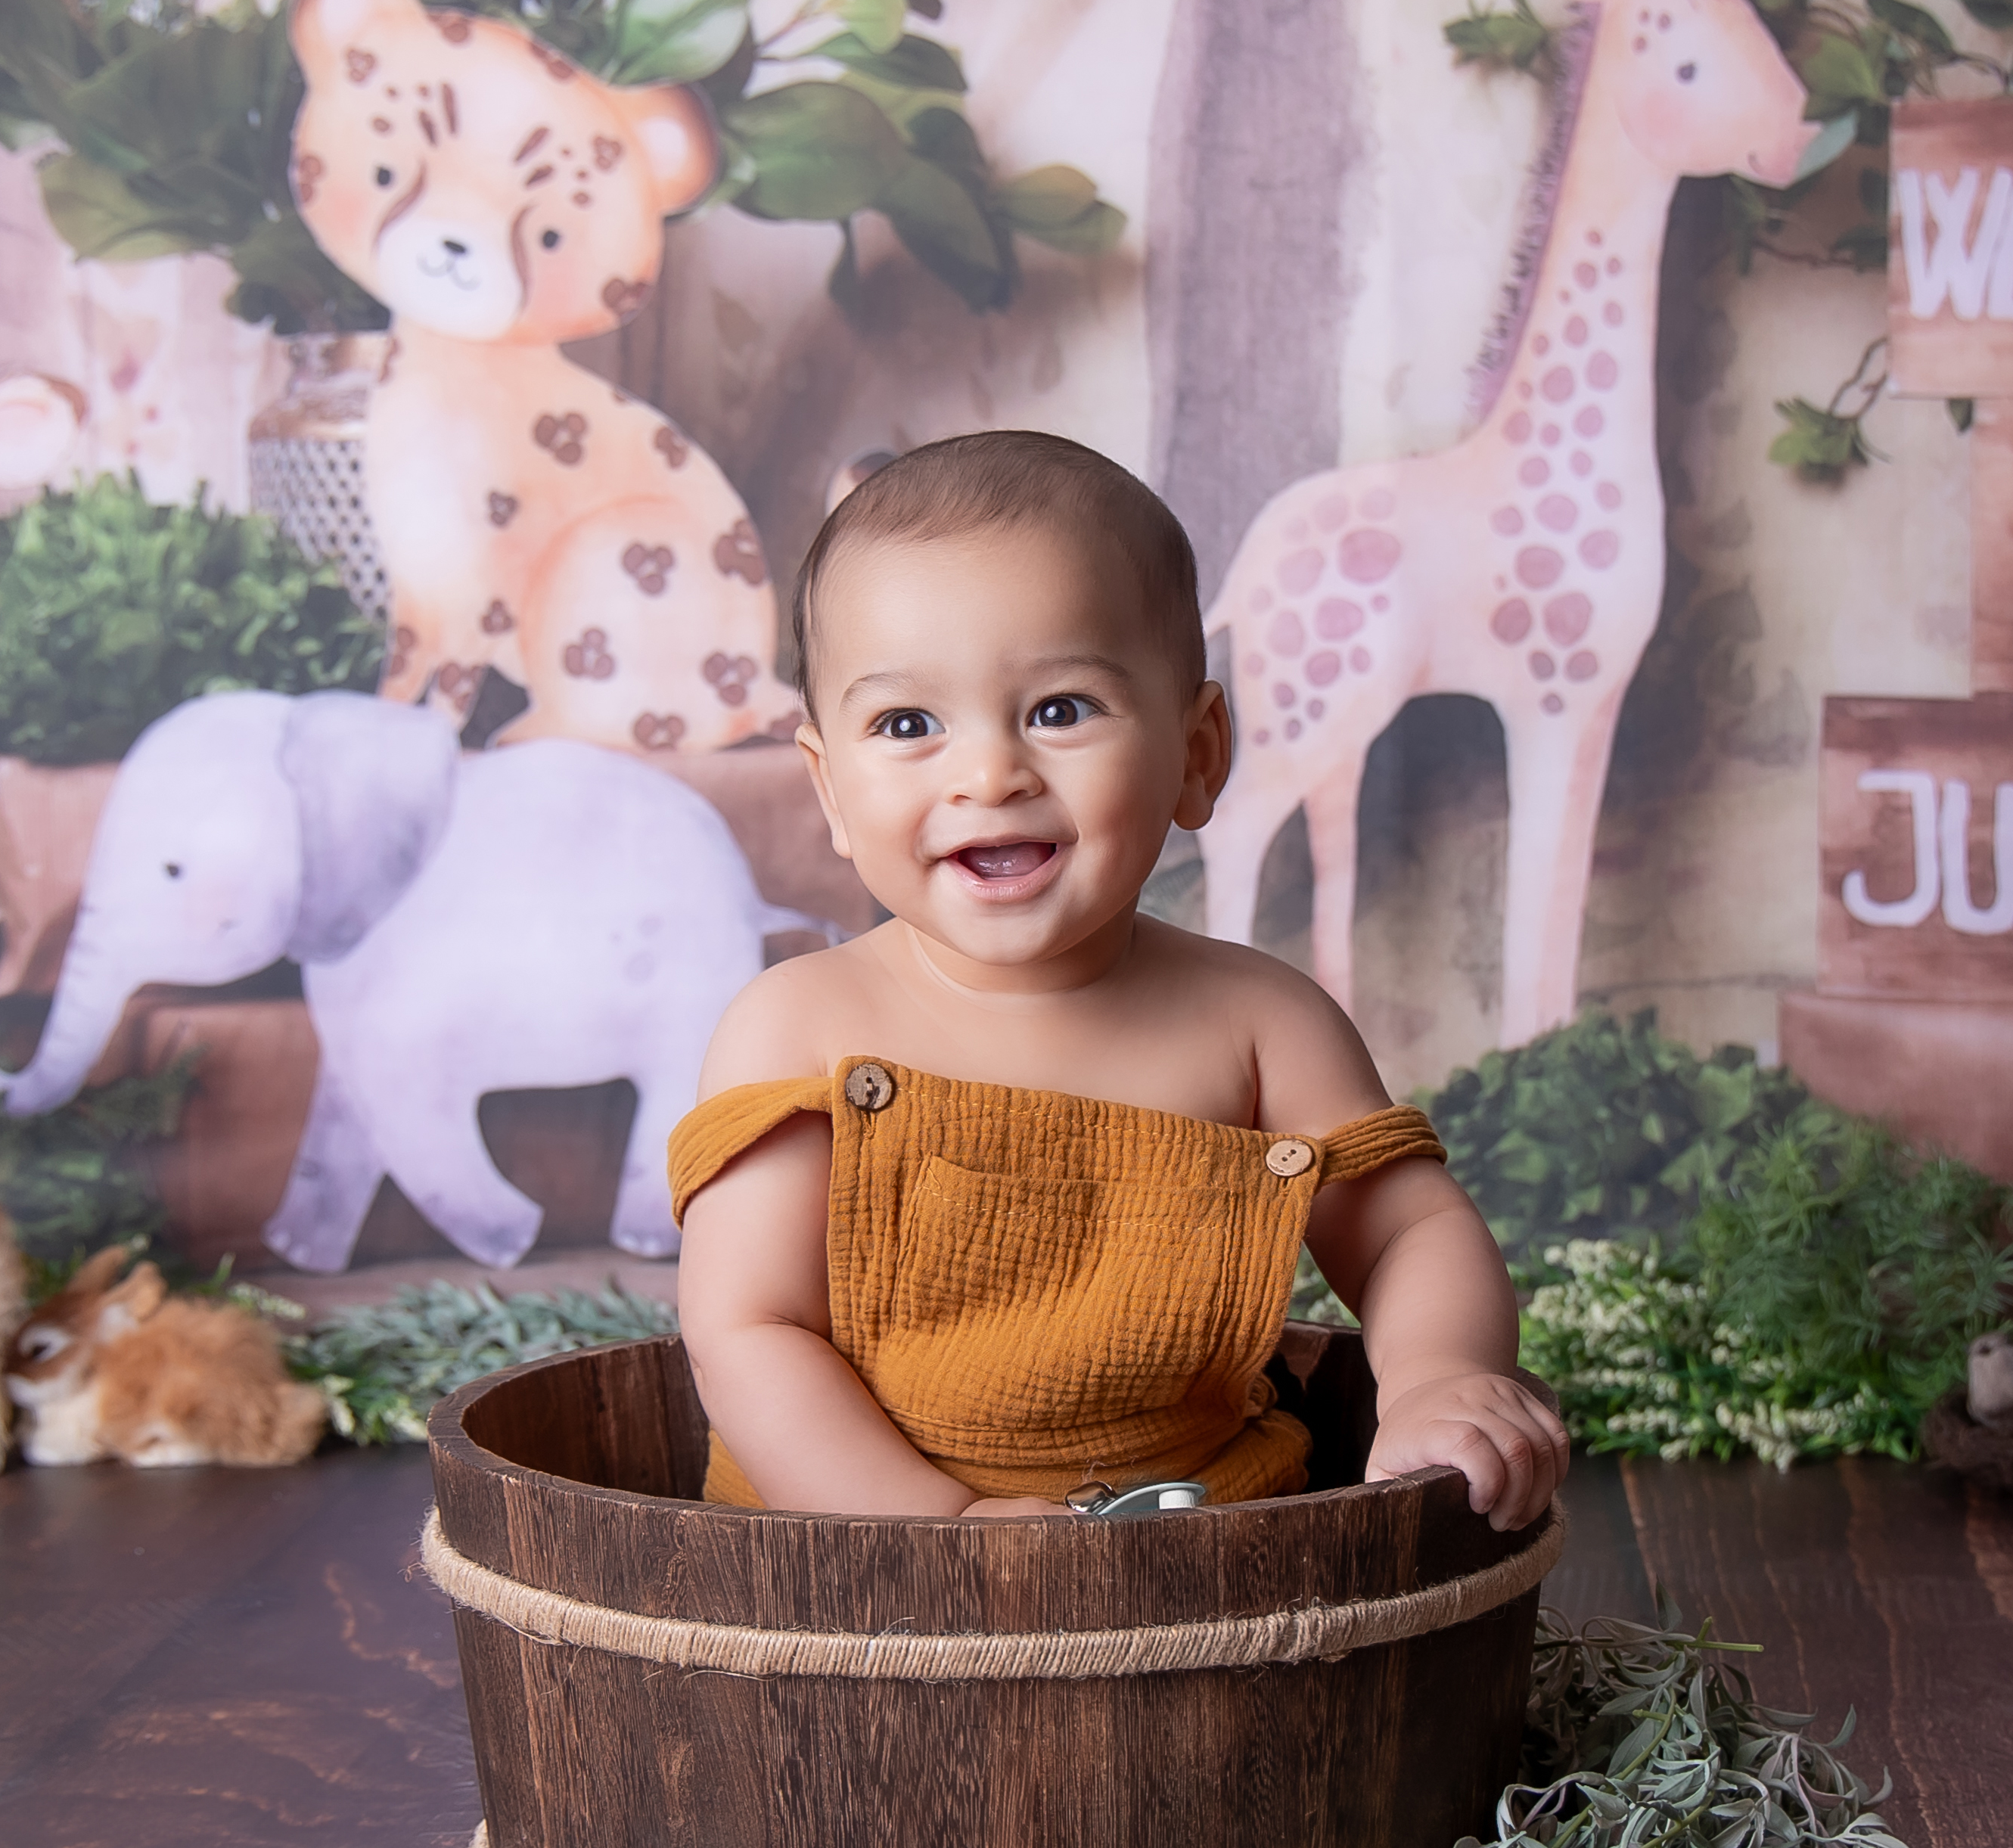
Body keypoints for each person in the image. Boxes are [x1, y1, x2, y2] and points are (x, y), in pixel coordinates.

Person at [669, 430, 1572, 1527]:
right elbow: (751, 1331)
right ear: (829, 792)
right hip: (858, 1567)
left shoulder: (1259, 1023)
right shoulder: (799, 1028)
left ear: (1198, 756)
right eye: (908, 724)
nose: (991, 774)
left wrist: (1436, 1376)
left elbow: (1405, 1229)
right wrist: (941, 1526)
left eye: (1061, 709)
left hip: (1202, 1547)